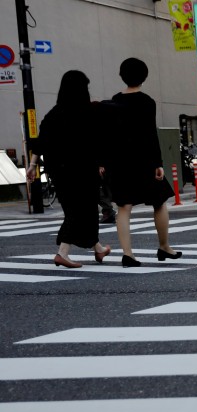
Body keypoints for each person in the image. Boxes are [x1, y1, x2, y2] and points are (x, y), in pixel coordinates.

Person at [25, 70, 112, 269]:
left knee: (80, 209)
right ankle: (62, 253)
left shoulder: (54, 114)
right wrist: (101, 163)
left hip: (59, 171)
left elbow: (40, 142)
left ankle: (98, 249)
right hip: (83, 170)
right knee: (80, 211)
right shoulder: (86, 112)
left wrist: (32, 165)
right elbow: (95, 142)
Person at [104, 58, 180, 267]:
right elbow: (150, 134)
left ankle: (128, 253)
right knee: (159, 201)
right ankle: (164, 246)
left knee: (124, 207)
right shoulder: (147, 102)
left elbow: (111, 135)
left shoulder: (114, 101)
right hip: (144, 160)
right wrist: (158, 163)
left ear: (122, 75)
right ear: (144, 77)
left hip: (120, 161)